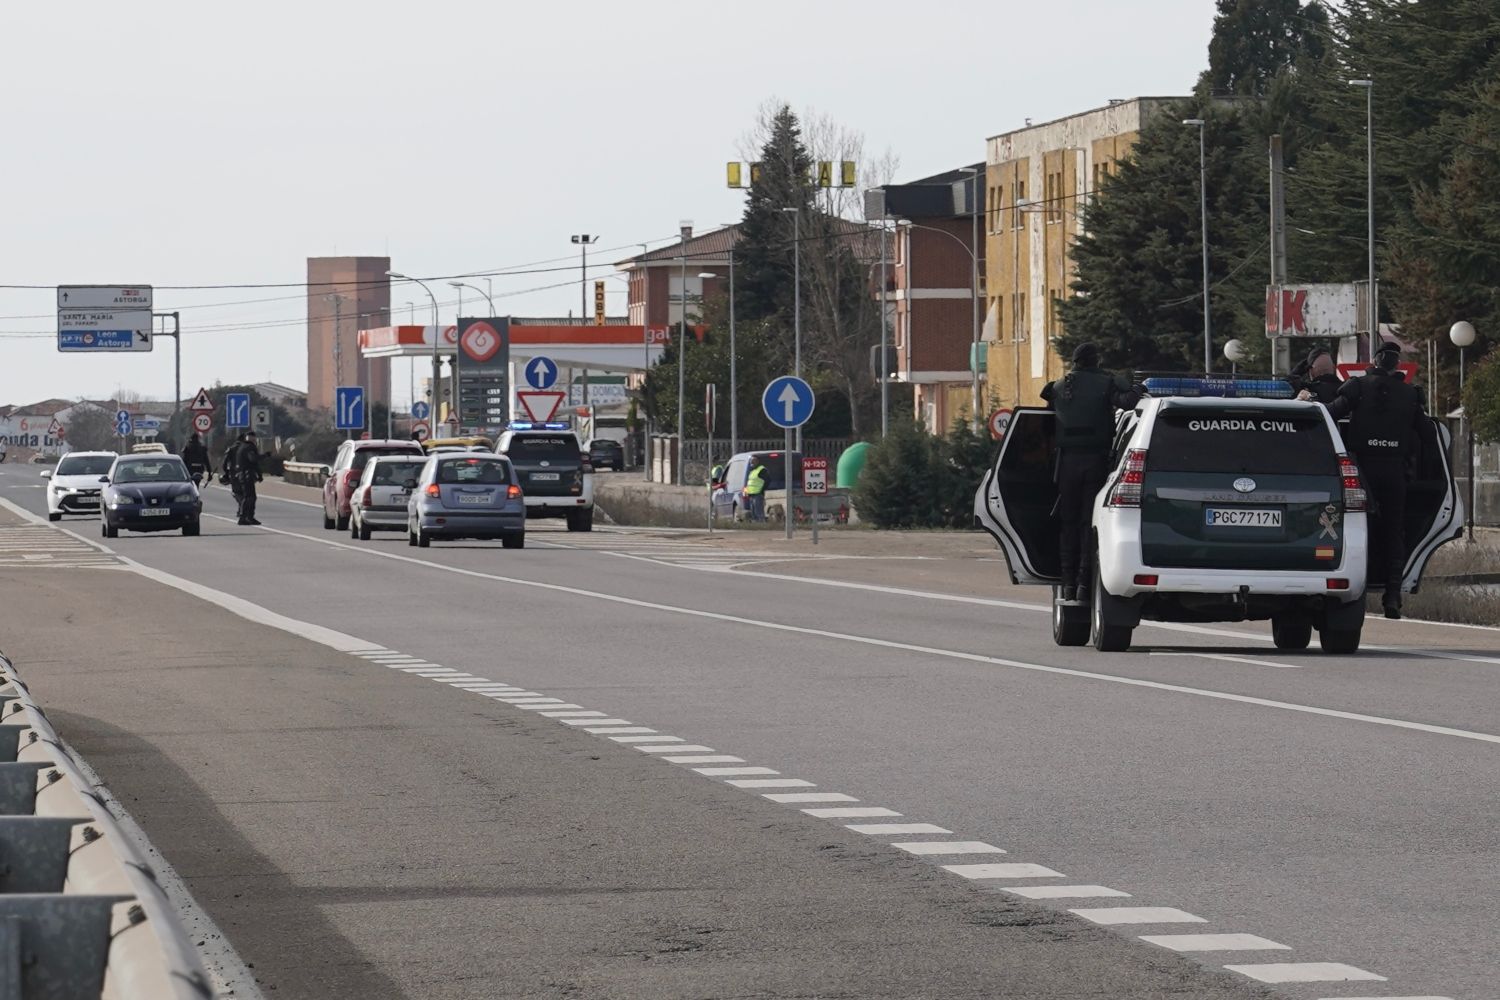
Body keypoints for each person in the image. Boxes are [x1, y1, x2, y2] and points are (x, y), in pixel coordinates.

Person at [1328, 341, 1427, 619]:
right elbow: (1429, 438)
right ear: (1397, 364)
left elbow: (1329, 414)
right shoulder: (1410, 395)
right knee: (1394, 530)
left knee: (1361, 528)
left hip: (1362, 472)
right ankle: (1392, 595)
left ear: (1374, 360)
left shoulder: (1358, 387)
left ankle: (1357, 593)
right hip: (1394, 472)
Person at [1041, 342, 1144, 602]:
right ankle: (1085, 585)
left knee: (1069, 523)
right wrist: (1138, 387)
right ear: (1096, 361)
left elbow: (1046, 425)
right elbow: (1129, 402)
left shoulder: (1057, 387)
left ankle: (1066, 584)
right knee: (1090, 523)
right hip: (1095, 462)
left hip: (1065, 465)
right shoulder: (1106, 382)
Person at [234, 431, 264, 526]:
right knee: (249, 497)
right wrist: (265, 456)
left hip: (242, 474)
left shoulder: (242, 447)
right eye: (253, 437)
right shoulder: (249, 447)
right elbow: (253, 460)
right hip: (246, 475)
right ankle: (244, 517)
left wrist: (259, 475)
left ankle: (249, 517)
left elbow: (253, 463)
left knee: (251, 497)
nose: (254, 439)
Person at [742, 458, 768, 522]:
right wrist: (746, 493)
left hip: (758, 494)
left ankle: (761, 525)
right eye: (751, 463)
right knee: (753, 513)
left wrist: (762, 490)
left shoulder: (761, 470)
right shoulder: (752, 471)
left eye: (753, 463)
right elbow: (748, 483)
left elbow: (768, 480)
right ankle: (756, 527)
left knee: (758, 513)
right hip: (751, 495)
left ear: (757, 462)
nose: (751, 464)